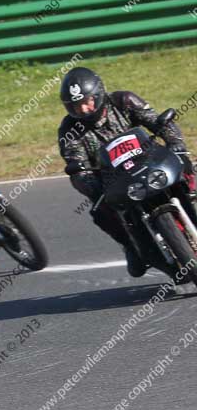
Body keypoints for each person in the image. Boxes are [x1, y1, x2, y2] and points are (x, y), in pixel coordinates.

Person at [58, 67, 196, 277]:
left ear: (99, 94)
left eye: (87, 101)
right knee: (100, 211)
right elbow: (76, 166)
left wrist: (175, 142)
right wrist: (91, 187)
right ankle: (131, 246)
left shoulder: (124, 100)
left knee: (186, 163)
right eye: (77, 106)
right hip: (113, 179)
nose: (84, 109)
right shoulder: (69, 130)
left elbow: (157, 121)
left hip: (151, 160)